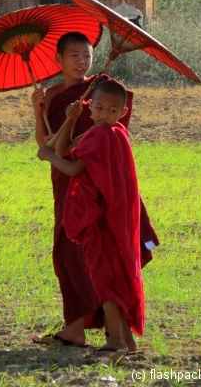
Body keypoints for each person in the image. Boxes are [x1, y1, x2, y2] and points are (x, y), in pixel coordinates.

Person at [37, 79, 144, 353]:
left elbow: (70, 167)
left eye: (111, 110)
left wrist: (48, 156)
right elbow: (66, 147)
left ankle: (116, 340)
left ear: (122, 112)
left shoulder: (103, 135)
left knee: (104, 278)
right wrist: (71, 121)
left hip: (98, 219)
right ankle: (127, 341)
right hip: (111, 217)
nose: (103, 115)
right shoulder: (110, 132)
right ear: (90, 107)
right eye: (98, 108)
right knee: (113, 276)